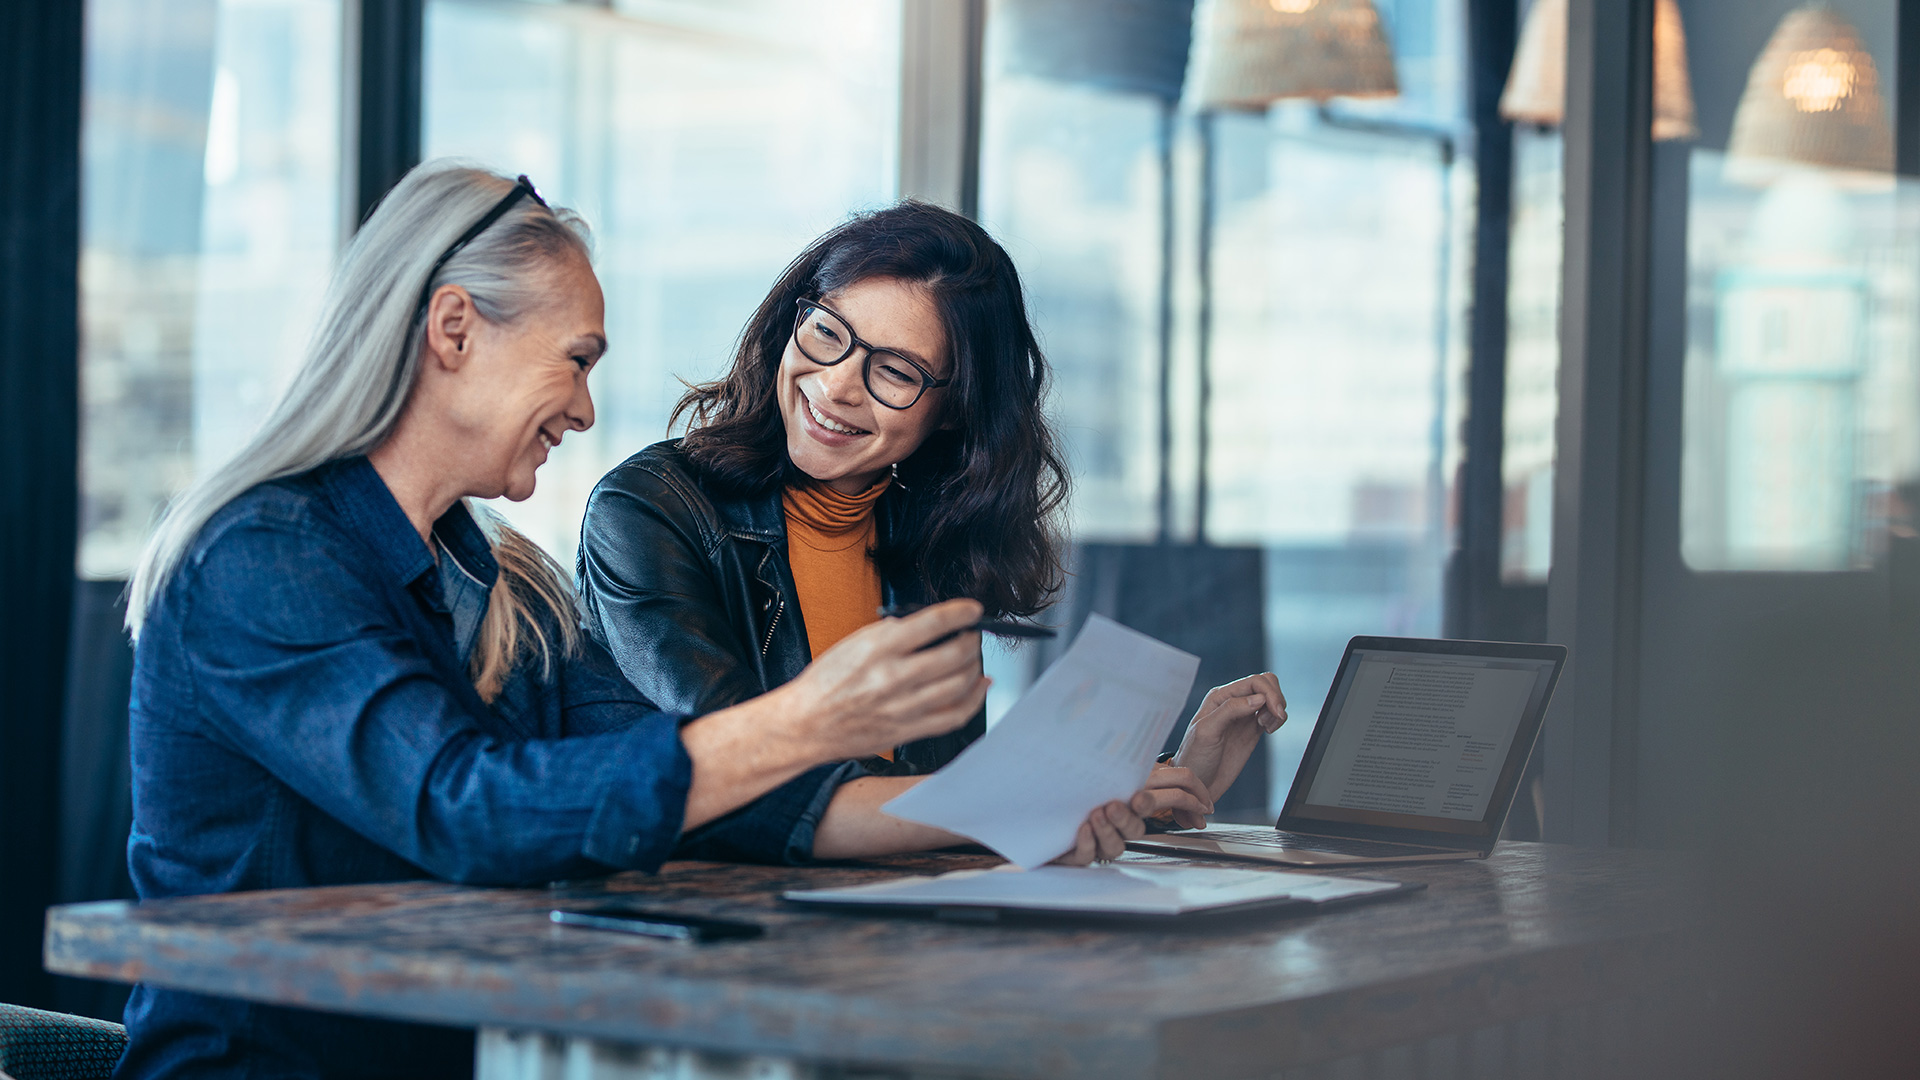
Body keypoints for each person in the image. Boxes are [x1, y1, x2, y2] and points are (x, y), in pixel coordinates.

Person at [115, 165, 1154, 1080]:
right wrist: (803, 723)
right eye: (574, 359)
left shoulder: (491, 574)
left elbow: (689, 792)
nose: (585, 408)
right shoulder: (262, 556)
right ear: (453, 331)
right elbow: (462, 809)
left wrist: (1036, 809)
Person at [578, 201, 1287, 858]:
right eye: (827, 332)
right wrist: (1033, 804)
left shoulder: (933, 540)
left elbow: (947, 796)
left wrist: (1163, 782)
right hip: (713, 937)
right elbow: (746, 778)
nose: (837, 385)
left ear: (952, 411)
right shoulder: (649, 508)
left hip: (889, 932)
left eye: (896, 370)